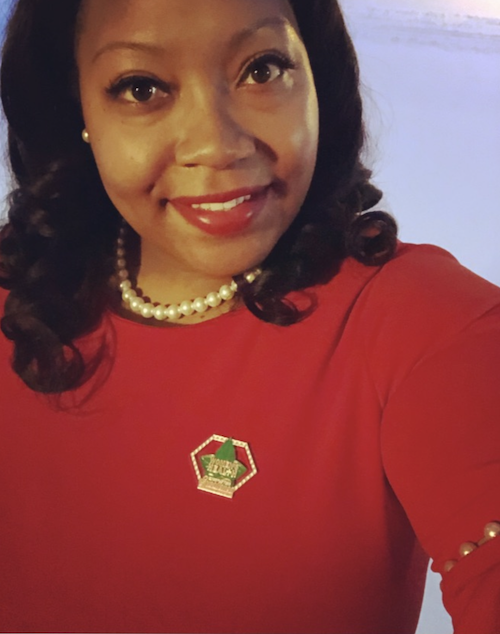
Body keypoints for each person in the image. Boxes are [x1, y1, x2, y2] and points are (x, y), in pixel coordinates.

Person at [0, 0, 499, 632]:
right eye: (141, 87)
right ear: (78, 111)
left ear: (316, 78)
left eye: (262, 69)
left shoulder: (423, 324)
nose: (217, 145)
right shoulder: (20, 296)